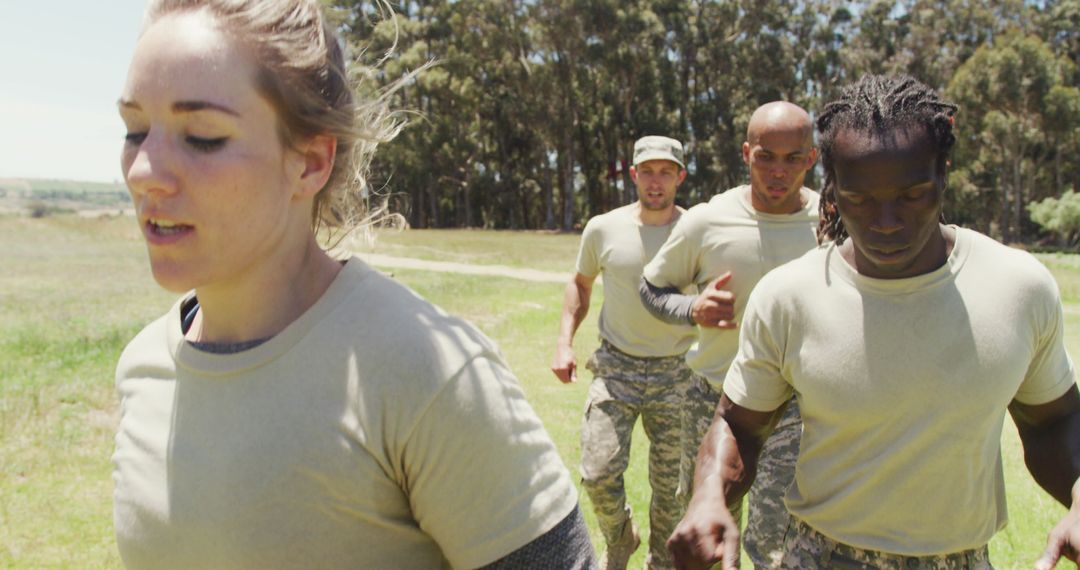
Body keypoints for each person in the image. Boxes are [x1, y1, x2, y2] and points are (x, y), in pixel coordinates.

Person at [110, 1, 594, 568]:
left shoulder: (425, 372)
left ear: (310, 161)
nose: (143, 171)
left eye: (203, 137)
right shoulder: (142, 368)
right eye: (135, 130)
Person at [667, 74, 1080, 570]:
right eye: (860, 199)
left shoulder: (1018, 287)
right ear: (833, 188)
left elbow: (1054, 420)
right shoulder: (790, 296)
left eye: (912, 195)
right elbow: (738, 424)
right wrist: (710, 493)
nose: (886, 222)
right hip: (819, 556)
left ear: (944, 172)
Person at [639, 101, 818, 568]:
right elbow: (652, 287)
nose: (778, 171)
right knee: (704, 539)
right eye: (765, 156)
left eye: (792, 158)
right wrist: (692, 308)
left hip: (795, 409)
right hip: (712, 401)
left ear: (812, 159)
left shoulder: (832, 224)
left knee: (776, 546)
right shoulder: (707, 220)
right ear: (746, 153)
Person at [552, 136, 698, 569]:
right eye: (648, 171)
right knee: (597, 473)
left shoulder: (697, 230)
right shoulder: (604, 228)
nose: (656, 181)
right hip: (616, 368)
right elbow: (580, 284)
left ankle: (660, 563)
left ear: (680, 177)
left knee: (673, 492)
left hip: (678, 373)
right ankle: (620, 538)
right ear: (633, 174)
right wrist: (563, 342)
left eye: (666, 172)